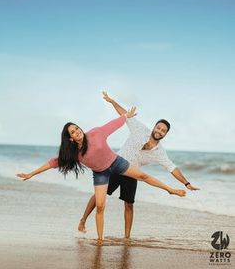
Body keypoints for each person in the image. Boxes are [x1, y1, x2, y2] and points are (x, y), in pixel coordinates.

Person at [16, 106, 186, 242]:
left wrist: (126, 115)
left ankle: (170, 190)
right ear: (70, 139)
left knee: (143, 176)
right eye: (73, 132)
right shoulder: (73, 153)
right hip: (100, 174)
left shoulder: (96, 133)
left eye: (77, 128)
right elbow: (53, 162)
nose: (77, 132)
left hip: (116, 162)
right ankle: (99, 239)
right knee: (100, 205)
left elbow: (114, 124)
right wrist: (31, 174)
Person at [78, 92, 199, 238]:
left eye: (163, 131)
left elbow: (172, 168)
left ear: (165, 134)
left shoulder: (159, 152)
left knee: (129, 205)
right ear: (154, 127)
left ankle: (127, 237)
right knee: (99, 198)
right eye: (158, 128)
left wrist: (186, 183)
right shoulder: (140, 130)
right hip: (115, 166)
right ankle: (83, 220)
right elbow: (125, 115)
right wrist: (112, 102)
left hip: (131, 173)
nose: (159, 131)